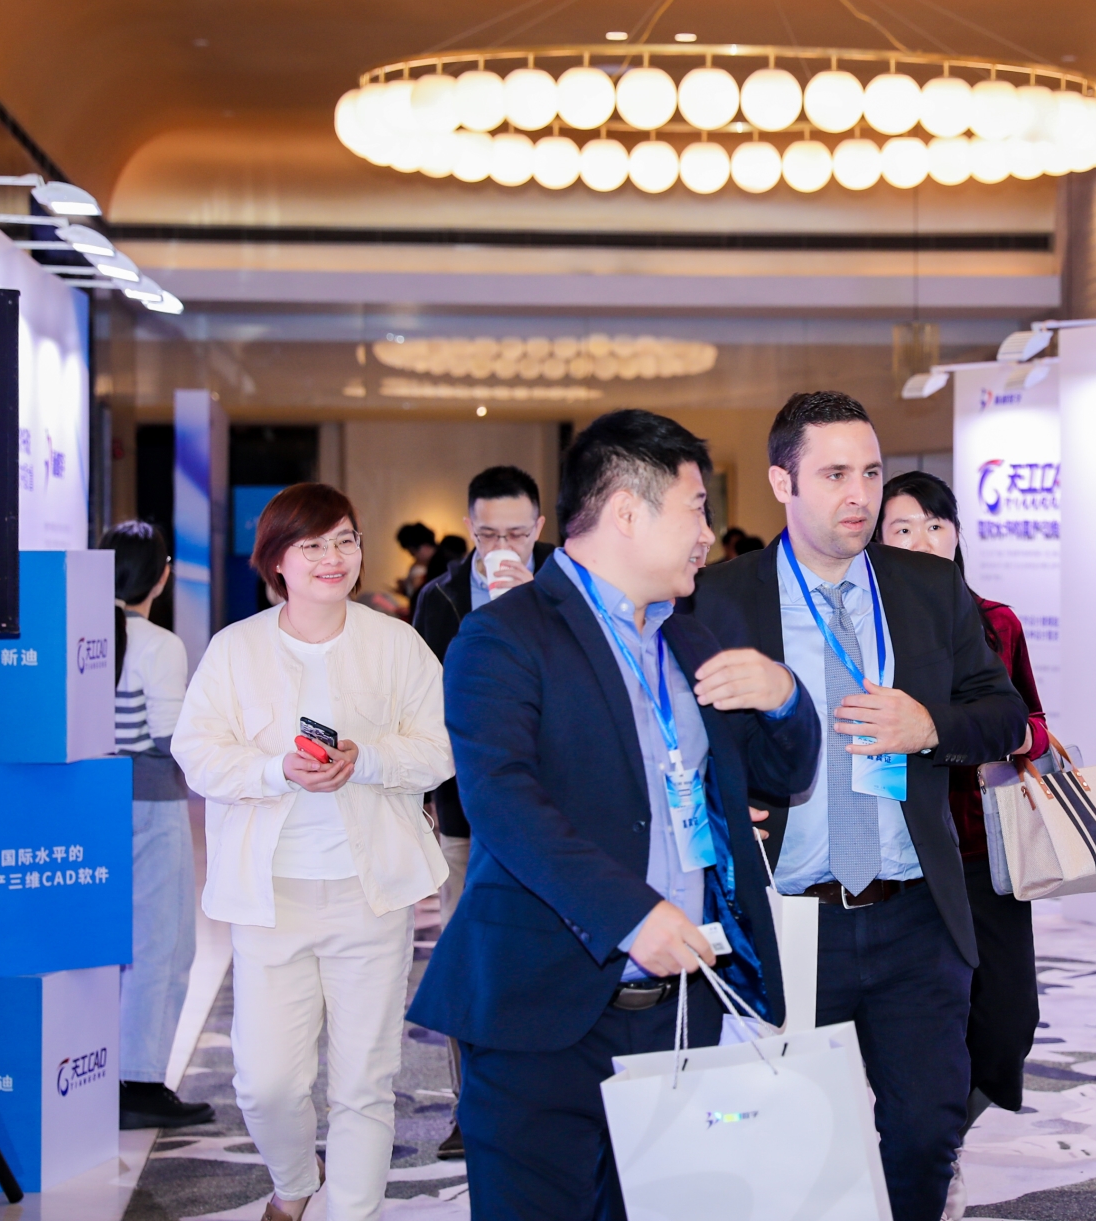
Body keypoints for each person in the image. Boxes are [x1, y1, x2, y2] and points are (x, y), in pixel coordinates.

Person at [407, 409, 822, 1220]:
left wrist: (784, 698)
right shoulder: (502, 637)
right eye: (695, 508)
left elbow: (786, 775)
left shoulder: (691, 642)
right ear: (628, 511)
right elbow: (503, 802)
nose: (707, 533)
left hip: (684, 1010)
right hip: (542, 1015)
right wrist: (631, 913)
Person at [687, 391, 1028, 1221]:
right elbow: (676, 733)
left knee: (926, 1132)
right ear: (782, 481)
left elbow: (1004, 713)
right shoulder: (719, 597)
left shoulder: (927, 586)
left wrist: (928, 726)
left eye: (871, 473)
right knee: (795, 1144)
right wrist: (720, 802)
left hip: (915, 913)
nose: (860, 495)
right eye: (835, 474)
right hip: (790, 917)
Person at [172, 484, 453, 1221]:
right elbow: (197, 754)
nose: (334, 557)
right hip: (271, 896)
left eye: (346, 540)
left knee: (365, 1081)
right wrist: (275, 770)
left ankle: (351, 1211)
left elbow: (441, 746)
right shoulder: (236, 649)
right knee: (265, 1082)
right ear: (277, 561)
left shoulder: (396, 643)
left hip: (371, 893)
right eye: (314, 544)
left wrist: (369, 758)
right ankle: (295, 1181)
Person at [875, 471, 1048, 1220]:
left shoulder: (995, 622)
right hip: (901, 857)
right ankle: (923, 1158)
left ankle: (938, 1145)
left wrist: (998, 737)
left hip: (984, 850)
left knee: (1007, 1026)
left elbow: (1032, 721)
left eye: (936, 526)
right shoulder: (862, 626)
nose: (923, 541)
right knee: (917, 1032)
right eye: (902, 529)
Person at [410, 464, 556, 1160]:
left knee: (550, 957)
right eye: (490, 534)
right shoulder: (440, 598)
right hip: (468, 813)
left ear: (540, 527)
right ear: (470, 528)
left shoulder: (567, 584)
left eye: (517, 534)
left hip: (556, 810)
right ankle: (471, 1110)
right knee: (471, 958)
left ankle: (547, 1102)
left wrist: (535, 608)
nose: (503, 546)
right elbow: (423, 703)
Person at [104, 521, 214, 1131]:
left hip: (85, 805)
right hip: (150, 803)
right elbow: (172, 739)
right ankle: (140, 1081)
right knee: (162, 945)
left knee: (104, 948)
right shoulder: (159, 645)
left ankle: (100, 1072)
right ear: (162, 576)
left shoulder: (78, 633)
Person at [395, 522, 438, 599]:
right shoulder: (427, 565)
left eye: (413, 553)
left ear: (425, 546)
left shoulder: (440, 566)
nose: (415, 558)